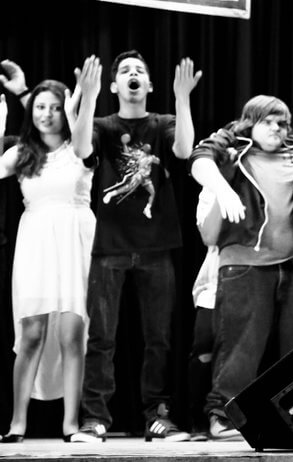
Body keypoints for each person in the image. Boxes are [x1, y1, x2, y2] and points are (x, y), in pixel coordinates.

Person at [190, 94, 293, 440]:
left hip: (289, 263)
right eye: (266, 121)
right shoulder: (233, 146)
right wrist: (222, 189)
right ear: (250, 122)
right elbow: (200, 156)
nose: (275, 128)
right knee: (241, 344)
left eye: (281, 122)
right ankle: (223, 414)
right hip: (244, 263)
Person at [67, 50, 201, 443]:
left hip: (157, 246)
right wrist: (88, 100)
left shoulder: (162, 123)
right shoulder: (105, 126)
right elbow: (79, 151)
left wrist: (182, 98)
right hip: (110, 246)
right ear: (114, 86)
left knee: (158, 336)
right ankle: (95, 418)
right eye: (125, 71)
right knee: (102, 337)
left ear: (148, 85)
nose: (132, 74)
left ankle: (156, 416)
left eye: (139, 70)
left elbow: (182, 150)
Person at [0, 71, 95, 443]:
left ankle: (71, 423)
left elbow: (84, 140)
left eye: (56, 108)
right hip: (36, 241)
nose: (47, 114)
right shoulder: (21, 153)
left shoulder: (81, 148)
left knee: (73, 334)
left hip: (75, 241)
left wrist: (79, 106)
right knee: (32, 334)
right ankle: (17, 423)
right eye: (41, 107)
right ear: (31, 111)